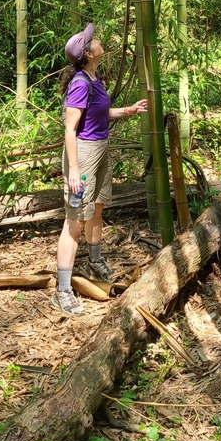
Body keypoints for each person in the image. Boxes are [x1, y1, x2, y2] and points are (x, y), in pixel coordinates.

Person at [52, 22, 148, 316]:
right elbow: (70, 129)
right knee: (75, 221)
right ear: (88, 54)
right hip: (82, 154)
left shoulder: (95, 78)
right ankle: (62, 290)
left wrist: (127, 110)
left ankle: (94, 262)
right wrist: (73, 171)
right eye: (93, 42)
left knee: (96, 208)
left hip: (101, 148)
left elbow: (99, 113)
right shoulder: (80, 82)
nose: (99, 42)